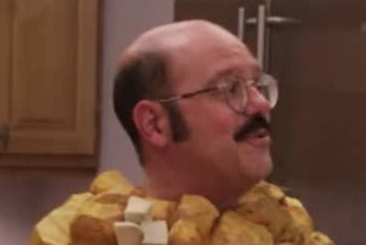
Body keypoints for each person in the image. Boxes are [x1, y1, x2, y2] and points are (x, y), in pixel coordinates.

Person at [112, 19, 278, 209]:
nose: (262, 104)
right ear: (154, 124)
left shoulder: (294, 232)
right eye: (230, 89)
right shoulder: (96, 236)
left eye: (256, 84)